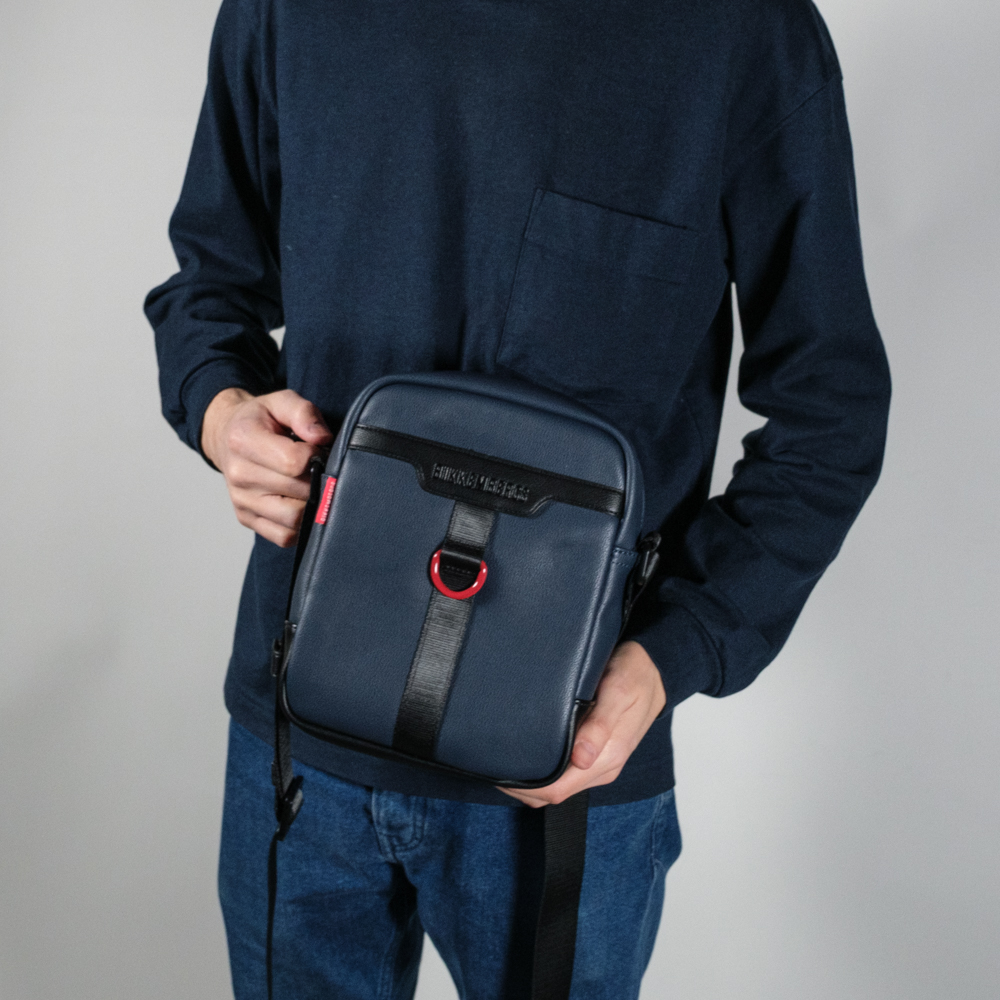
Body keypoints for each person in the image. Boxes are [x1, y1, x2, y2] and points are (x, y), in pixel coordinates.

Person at [145, 0, 891, 995]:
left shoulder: (744, 33)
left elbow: (831, 408)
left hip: (564, 766)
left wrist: (671, 654)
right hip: (298, 740)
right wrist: (222, 411)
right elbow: (208, 284)